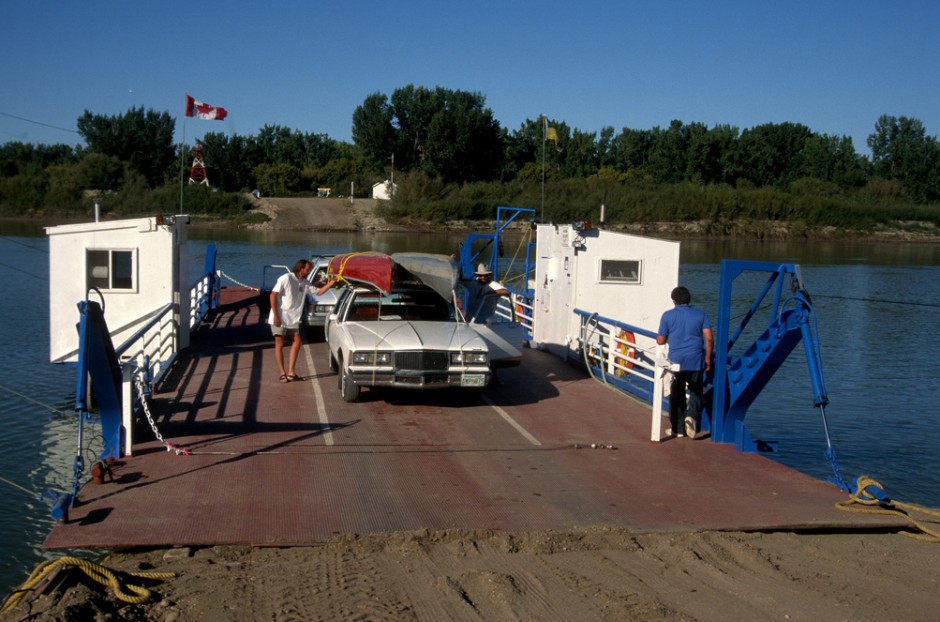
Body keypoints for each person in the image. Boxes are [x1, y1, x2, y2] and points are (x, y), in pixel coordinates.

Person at [656, 286, 713, 439]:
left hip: (676, 361)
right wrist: (707, 358)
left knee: (676, 394)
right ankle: (692, 416)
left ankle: (678, 429)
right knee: (696, 391)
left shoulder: (667, 316)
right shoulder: (701, 314)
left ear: (673, 300)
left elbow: (660, 340)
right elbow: (708, 338)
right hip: (696, 359)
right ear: (689, 299)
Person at [269, 259, 335, 383]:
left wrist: (332, 282)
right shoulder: (286, 278)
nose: (309, 271)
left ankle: (291, 372)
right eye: (307, 269)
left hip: (293, 318)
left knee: (297, 342)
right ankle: (283, 373)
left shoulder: (305, 282)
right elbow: (272, 295)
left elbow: (319, 292)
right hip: (279, 316)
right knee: (279, 344)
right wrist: (276, 316)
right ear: (300, 268)